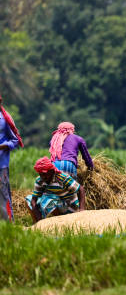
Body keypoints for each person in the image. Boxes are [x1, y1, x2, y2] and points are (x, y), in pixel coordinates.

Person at [26, 157, 85, 224]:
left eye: (45, 174)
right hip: (56, 202)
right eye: (41, 174)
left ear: (51, 171)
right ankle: (38, 223)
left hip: (69, 206)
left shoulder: (62, 178)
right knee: (29, 199)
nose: (43, 177)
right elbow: (33, 200)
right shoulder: (39, 181)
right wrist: (40, 221)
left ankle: (60, 221)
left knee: (47, 199)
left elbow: (81, 189)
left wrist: (82, 209)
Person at [0, 92, 24, 222]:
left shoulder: (4, 119)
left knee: (3, 194)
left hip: (1, 164)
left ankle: (9, 224)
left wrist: (3, 146)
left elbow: (15, 140)